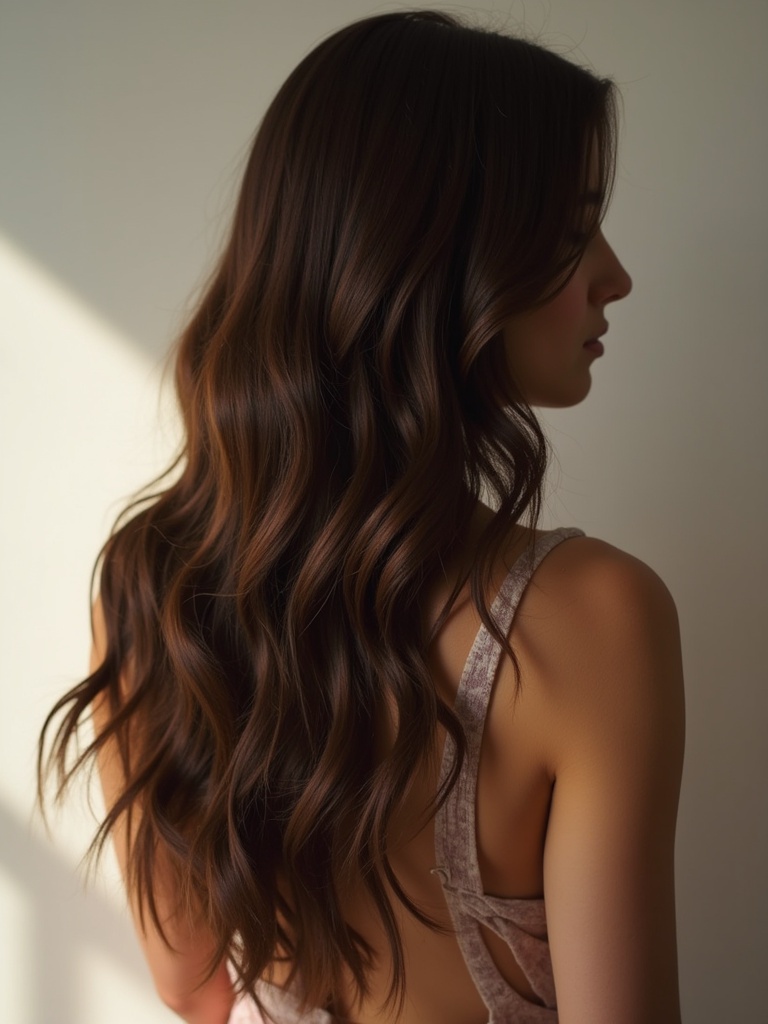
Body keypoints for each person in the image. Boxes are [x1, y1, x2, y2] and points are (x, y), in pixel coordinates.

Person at [39, 9, 685, 1024]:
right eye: (570, 232)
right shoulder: (597, 615)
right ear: (434, 266)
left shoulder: (150, 582)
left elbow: (193, 986)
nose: (615, 274)